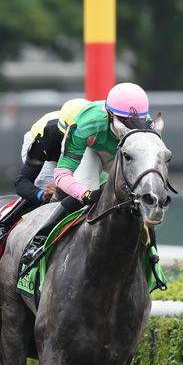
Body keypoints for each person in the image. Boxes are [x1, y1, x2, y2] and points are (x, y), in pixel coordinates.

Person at [21, 83, 152, 268]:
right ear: (109, 114)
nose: (129, 127)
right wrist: (85, 193)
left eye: (135, 121)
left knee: (138, 196)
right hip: (94, 151)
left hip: (122, 153)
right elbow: (62, 174)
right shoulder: (86, 124)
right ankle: (39, 240)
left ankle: (152, 257)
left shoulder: (147, 125)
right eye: (123, 121)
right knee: (87, 197)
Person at [0, 97, 90, 246]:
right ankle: (4, 226)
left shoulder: (98, 131)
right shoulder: (46, 139)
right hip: (47, 153)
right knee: (51, 192)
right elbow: (22, 182)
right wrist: (41, 194)